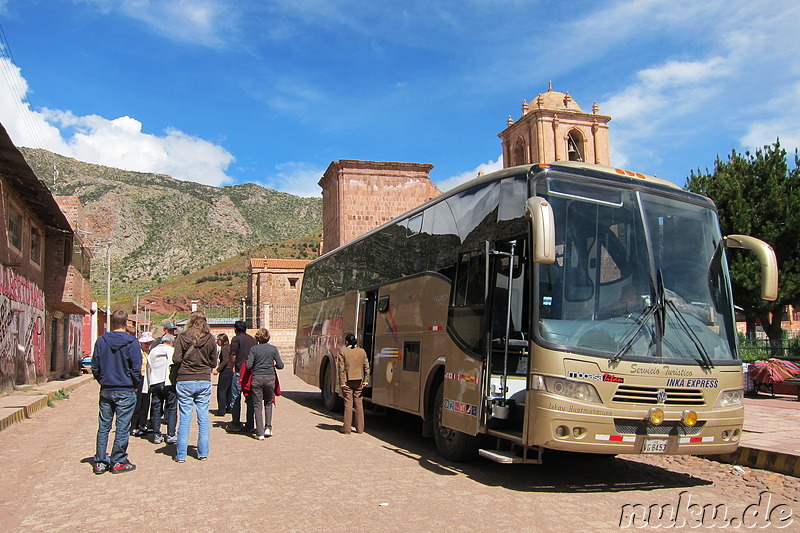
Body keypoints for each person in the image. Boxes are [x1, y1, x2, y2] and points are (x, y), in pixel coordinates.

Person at [91, 309, 142, 474]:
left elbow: (95, 366)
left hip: (107, 389)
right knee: (122, 426)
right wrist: (136, 384)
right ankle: (118, 461)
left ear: (112, 322)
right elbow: (136, 367)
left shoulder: (101, 341)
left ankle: (100, 461)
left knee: (104, 426)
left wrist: (102, 380)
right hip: (125, 389)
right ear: (126, 323)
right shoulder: (132, 342)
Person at [172, 311, 218, 462]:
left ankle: (181, 455)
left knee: (185, 417)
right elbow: (213, 362)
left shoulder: (182, 337)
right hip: (203, 380)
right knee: (203, 416)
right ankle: (203, 452)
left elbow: (176, 358)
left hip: (185, 379)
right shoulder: (210, 339)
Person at [246, 328, 284, 440]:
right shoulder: (273, 349)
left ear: (257, 337)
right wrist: (274, 365)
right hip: (270, 377)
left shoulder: (254, 349)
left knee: (257, 405)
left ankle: (260, 431)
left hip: (257, 377)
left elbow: (248, 366)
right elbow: (281, 365)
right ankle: (268, 427)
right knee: (268, 402)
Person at [147, 333, 177, 445]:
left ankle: (156, 434)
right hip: (168, 382)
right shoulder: (171, 350)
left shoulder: (153, 351)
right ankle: (171, 434)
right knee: (172, 408)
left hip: (155, 382)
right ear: (171, 342)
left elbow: (149, 366)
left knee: (156, 408)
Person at [227, 320, 256, 433]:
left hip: (239, 371)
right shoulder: (253, 339)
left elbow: (233, 354)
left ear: (235, 329)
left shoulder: (236, 339)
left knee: (235, 397)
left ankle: (235, 423)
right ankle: (250, 423)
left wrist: (232, 366)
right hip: (250, 372)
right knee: (250, 398)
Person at [338, 333, 370, 434]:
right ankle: (360, 428)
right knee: (359, 404)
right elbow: (366, 367)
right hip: (359, 381)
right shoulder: (362, 351)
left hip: (348, 380)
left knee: (348, 404)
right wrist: (366, 380)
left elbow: (341, 369)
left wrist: (342, 383)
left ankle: (347, 429)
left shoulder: (343, 352)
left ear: (346, 342)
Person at [131, 331, 154, 437]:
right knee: (137, 403)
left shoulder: (150, 352)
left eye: (149, 343)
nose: (147, 345)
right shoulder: (137, 352)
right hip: (139, 378)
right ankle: (133, 427)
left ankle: (142, 424)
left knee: (146, 402)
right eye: (146, 343)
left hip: (147, 378)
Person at [212, 333, 233, 416]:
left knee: (221, 391)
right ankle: (229, 408)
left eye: (218, 340)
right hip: (230, 370)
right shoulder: (230, 347)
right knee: (228, 391)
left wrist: (218, 370)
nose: (217, 342)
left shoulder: (224, 348)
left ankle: (221, 410)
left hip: (225, 371)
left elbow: (225, 361)